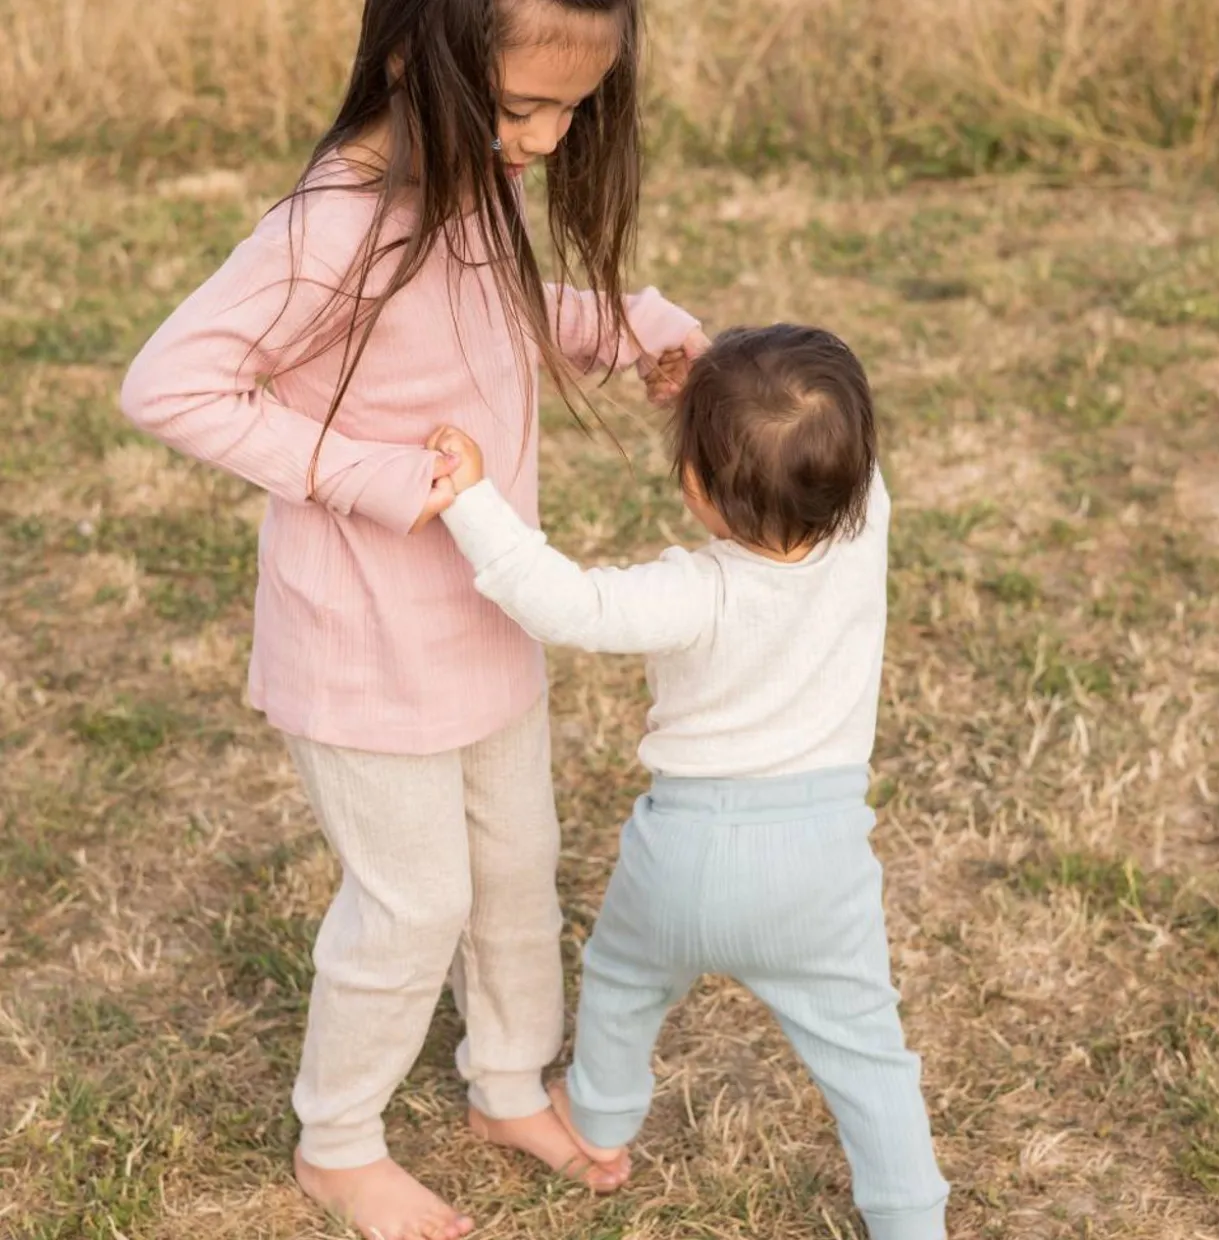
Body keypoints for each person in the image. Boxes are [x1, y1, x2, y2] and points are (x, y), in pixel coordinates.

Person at [119, 1, 707, 1236]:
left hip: (487, 617)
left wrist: (625, 323)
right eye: (523, 108)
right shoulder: (329, 224)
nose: (545, 141)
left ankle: (503, 1081)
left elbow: (482, 317)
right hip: (363, 644)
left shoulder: (466, 179)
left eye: (571, 110)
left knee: (513, 869)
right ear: (412, 59)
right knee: (414, 902)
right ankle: (337, 1141)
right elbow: (171, 382)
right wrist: (375, 474)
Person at [432, 324, 952, 1240]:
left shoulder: (694, 592)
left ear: (698, 488)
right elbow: (812, 442)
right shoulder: (865, 522)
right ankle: (912, 1221)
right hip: (819, 862)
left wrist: (471, 501)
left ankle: (597, 1118)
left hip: (682, 848)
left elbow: (565, 603)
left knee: (627, 979)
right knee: (869, 1058)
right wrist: (720, 404)